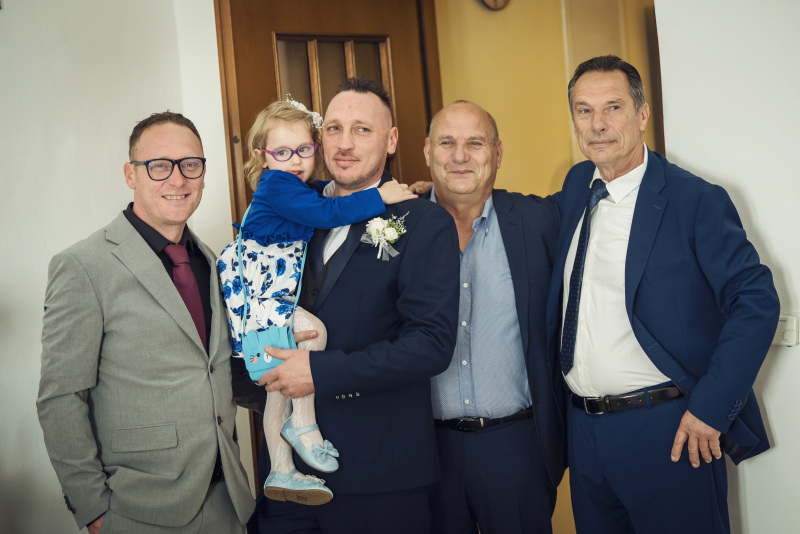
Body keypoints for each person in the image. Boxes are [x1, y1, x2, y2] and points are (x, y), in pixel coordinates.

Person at [545, 55, 780, 534]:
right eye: (584, 111)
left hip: (668, 430)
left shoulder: (695, 200)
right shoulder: (575, 186)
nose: (597, 124)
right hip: (584, 432)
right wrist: (437, 202)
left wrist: (710, 409)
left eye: (612, 107)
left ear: (642, 114)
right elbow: (521, 220)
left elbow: (756, 302)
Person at [238, 77, 461, 534]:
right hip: (286, 481)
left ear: (391, 140)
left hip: (379, 475)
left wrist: (318, 371)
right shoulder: (294, 203)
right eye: (334, 129)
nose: (344, 143)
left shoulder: (424, 221)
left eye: (362, 130)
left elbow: (430, 346)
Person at [36, 111, 255, 533]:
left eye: (190, 164)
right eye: (159, 165)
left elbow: (217, 371)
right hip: (137, 511)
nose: (178, 179)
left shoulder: (212, 260)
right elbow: (60, 398)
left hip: (228, 501)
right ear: (130, 174)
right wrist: (93, 510)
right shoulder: (83, 266)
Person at [217, 97, 416, 505]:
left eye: (303, 150)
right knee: (314, 334)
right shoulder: (276, 186)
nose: (294, 160)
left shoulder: (291, 186)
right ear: (262, 155)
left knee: (278, 388)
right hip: (264, 299)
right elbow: (326, 213)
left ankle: (281, 469)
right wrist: (381, 196)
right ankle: (303, 424)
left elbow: (320, 199)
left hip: (266, 301)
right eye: (282, 153)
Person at [420, 100, 567, 534]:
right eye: (447, 143)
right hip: (425, 449)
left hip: (516, 447)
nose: (460, 156)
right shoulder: (397, 223)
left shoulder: (540, 220)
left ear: (498, 153)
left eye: (475, 143)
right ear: (427, 151)